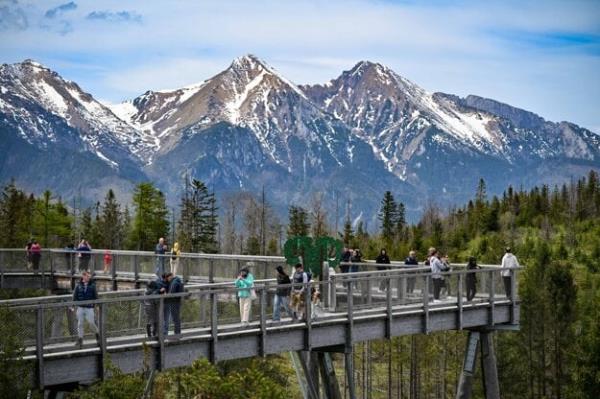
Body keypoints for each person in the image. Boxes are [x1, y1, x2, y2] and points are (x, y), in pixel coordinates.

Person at [72, 271, 99, 348]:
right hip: (80, 307)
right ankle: (80, 340)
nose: (88, 277)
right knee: (80, 324)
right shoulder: (78, 285)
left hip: (89, 308)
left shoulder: (92, 285)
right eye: (87, 276)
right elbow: (74, 296)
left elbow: (96, 296)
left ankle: (97, 334)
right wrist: (73, 306)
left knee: (91, 322)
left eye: (89, 276)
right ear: (83, 276)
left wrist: (97, 307)